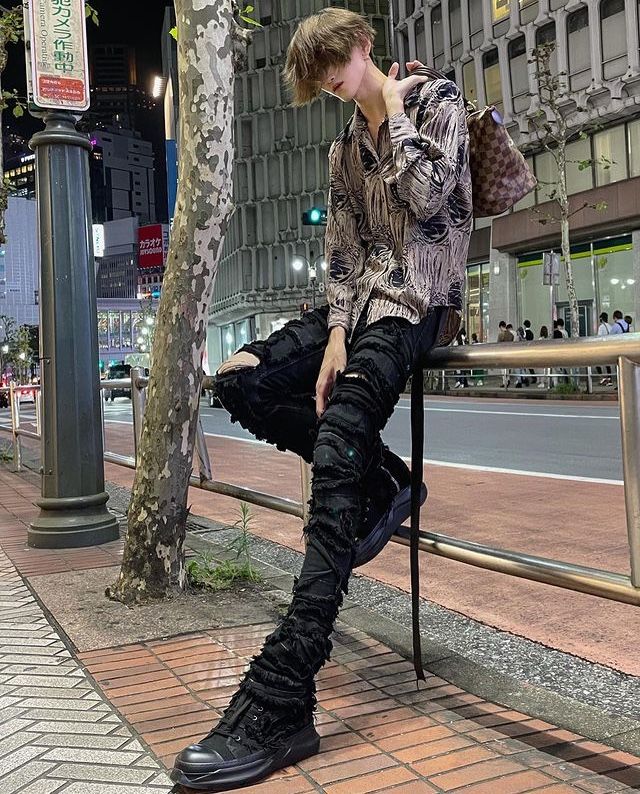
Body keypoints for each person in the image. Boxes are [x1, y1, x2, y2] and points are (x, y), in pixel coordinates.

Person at [170, 8, 473, 791]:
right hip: (361, 304)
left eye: (336, 64)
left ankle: (283, 693)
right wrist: (333, 332)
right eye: (321, 76)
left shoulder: (437, 101)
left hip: (417, 298)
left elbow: (434, 198)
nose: (334, 82)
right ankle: (382, 482)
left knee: (338, 430)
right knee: (241, 376)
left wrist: (396, 115)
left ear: (362, 45)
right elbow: (340, 251)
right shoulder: (343, 147)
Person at [596, 312, 612, 386]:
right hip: (609, 347)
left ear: (601, 318)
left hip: (602, 347)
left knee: (597, 363)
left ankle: (602, 379)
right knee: (608, 364)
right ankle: (609, 379)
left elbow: (599, 338)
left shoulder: (601, 327)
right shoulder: (610, 326)